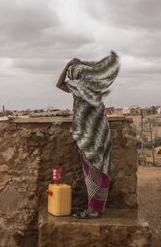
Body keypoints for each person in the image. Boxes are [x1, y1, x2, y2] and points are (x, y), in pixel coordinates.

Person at [56, 51, 120, 219]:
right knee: (100, 169)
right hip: (101, 131)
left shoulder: (77, 87)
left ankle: (93, 210)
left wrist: (68, 64)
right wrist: (85, 63)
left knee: (92, 172)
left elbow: (59, 84)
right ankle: (96, 207)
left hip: (88, 135)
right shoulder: (94, 87)